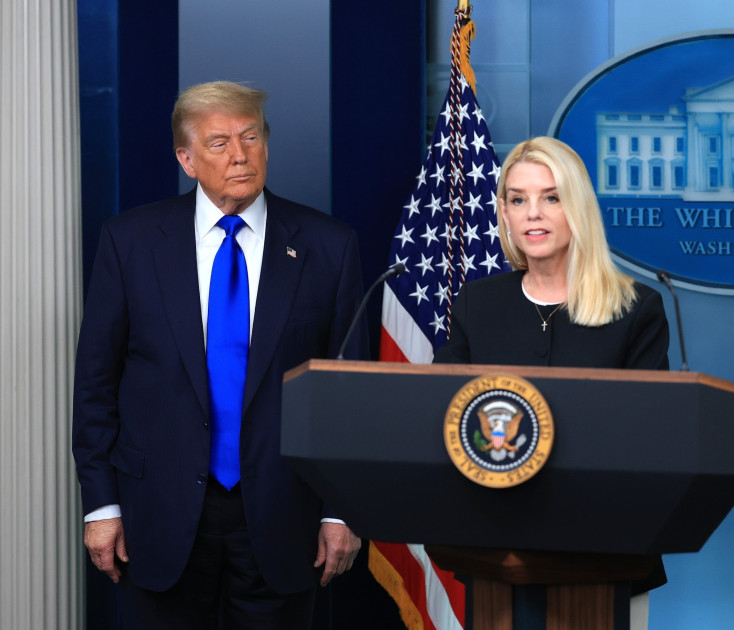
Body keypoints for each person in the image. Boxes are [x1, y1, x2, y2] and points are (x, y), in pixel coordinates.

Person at [72, 81, 367, 629]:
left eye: (251, 137)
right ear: (186, 159)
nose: (239, 154)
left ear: (267, 145)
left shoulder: (329, 246)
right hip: (156, 517)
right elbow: (95, 384)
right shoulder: (130, 242)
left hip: (285, 519)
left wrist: (341, 509)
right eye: (219, 143)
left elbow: (349, 395)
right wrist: (101, 506)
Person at [434, 136, 671, 624]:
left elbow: (649, 435)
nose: (532, 214)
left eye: (550, 197)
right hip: (494, 551)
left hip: (607, 553)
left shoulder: (635, 308)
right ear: (503, 212)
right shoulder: (477, 305)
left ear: (577, 207)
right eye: (518, 200)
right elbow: (443, 411)